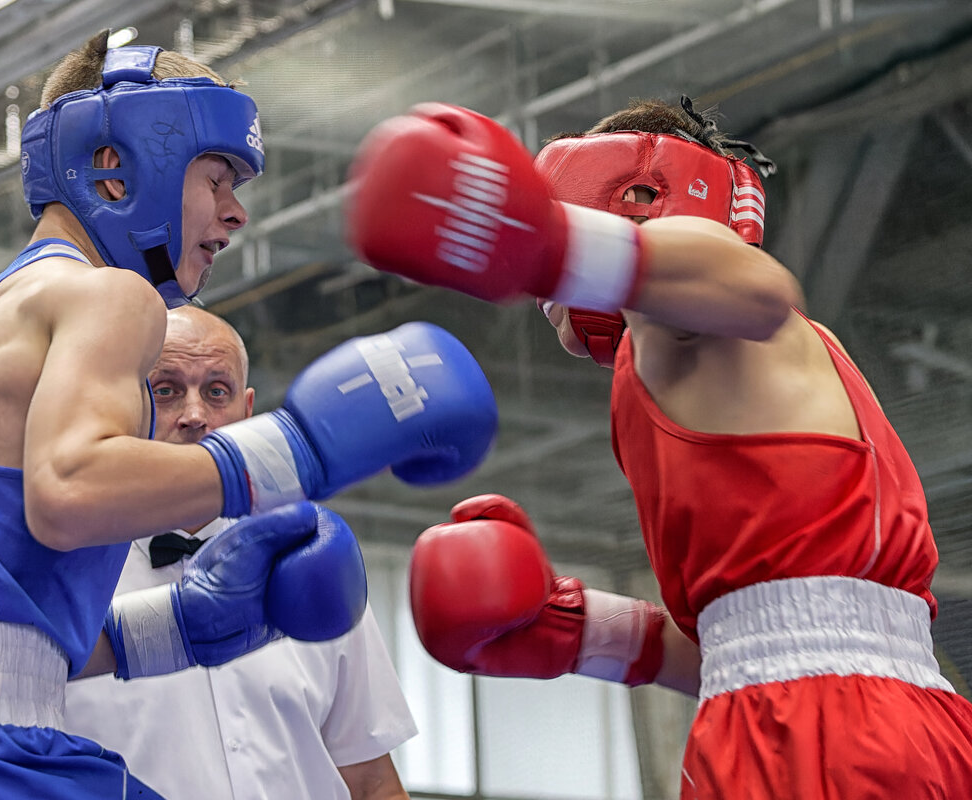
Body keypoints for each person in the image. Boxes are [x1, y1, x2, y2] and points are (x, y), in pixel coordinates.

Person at [0, 33, 497, 799]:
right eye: (218, 177)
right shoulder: (110, 296)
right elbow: (67, 493)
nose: (235, 216)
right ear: (116, 166)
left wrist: (171, 629)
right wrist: (302, 448)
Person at [344, 97, 972, 798]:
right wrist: (583, 633)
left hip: (823, 730)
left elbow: (757, 284)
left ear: (640, 197)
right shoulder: (685, 366)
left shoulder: (697, 318)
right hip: (871, 718)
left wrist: (542, 240)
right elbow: (755, 647)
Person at [65, 305, 415, 800]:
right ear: (121, 403)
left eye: (216, 391)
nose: (194, 416)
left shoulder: (310, 559)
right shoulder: (61, 576)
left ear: (247, 412)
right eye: (166, 390)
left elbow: (372, 780)